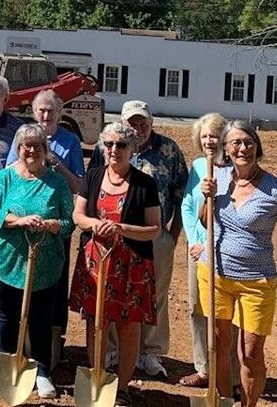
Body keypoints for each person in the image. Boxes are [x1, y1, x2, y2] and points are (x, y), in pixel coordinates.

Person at [198, 121, 277, 407]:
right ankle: (223, 401)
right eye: (235, 143)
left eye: (248, 142)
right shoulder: (218, 178)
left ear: (257, 147)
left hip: (256, 281)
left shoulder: (276, 190)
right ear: (226, 148)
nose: (243, 148)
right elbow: (203, 221)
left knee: (250, 352)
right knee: (219, 345)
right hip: (214, 274)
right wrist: (206, 198)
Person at [90, 100, 188, 378]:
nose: (139, 127)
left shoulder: (168, 150)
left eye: (143, 122)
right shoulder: (108, 145)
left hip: (154, 235)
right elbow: (94, 182)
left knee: (153, 294)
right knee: (109, 292)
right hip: (110, 236)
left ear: (151, 122)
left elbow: (182, 195)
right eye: (132, 123)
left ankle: (149, 352)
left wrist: (172, 235)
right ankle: (111, 349)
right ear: (122, 123)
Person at [69, 122, 161, 407]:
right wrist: (96, 224)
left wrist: (121, 229)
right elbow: (78, 216)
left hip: (131, 265)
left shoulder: (145, 184)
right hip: (96, 260)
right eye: (108, 144)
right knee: (96, 322)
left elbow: (154, 229)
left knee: (128, 326)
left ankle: (122, 387)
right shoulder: (94, 175)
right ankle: (98, 377)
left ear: (132, 149)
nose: (113, 150)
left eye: (121, 145)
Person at [0, 123, 73, 400]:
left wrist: (51, 225)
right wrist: (18, 221)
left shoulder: (56, 182)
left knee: (40, 318)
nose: (30, 150)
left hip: (42, 264)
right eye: (25, 146)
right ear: (18, 149)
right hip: (3, 258)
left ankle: (43, 372)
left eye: (36, 146)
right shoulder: (5, 177)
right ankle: (8, 365)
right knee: (5, 315)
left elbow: (69, 223)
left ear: (45, 150)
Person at [7, 90, 85, 366]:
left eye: (51, 111)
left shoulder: (70, 141)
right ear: (33, 111)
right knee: (21, 283)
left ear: (60, 112)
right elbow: (9, 175)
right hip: (22, 231)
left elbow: (78, 186)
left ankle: (53, 344)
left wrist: (57, 166)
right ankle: (21, 343)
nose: (45, 116)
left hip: (54, 227)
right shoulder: (23, 137)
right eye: (41, 110)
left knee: (54, 284)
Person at [179, 112, 240, 390]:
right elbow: (187, 206)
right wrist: (195, 240)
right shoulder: (197, 167)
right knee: (197, 308)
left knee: (226, 313)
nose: (209, 141)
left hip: (227, 250)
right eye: (204, 136)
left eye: (213, 135)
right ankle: (204, 369)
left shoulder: (236, 169)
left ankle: (231, 375)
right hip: (199, 250)